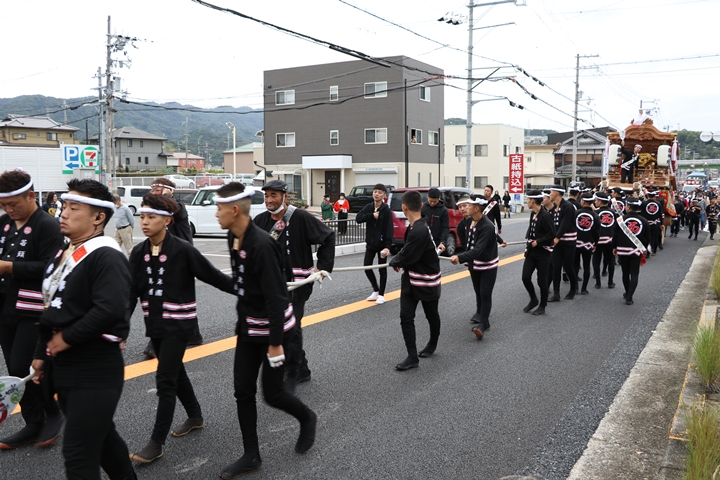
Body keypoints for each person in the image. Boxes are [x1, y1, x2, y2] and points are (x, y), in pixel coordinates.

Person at [33, 179, 137, 479]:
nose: (63, 213)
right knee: (105, 443)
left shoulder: (107, 255)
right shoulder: (62, 252)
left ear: (98, 217)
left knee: (78, 455)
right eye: (64, 206)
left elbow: (110, 309)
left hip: (95, 368)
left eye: (73, 208)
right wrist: (41, 352)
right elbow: (51, 309)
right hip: (63, 366)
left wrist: (65, 338)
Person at [214, 183, 317, 478]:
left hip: (275, 331)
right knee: (242, 391)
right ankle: (251, 455)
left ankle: (307, 417)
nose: (216, 214)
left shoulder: (261, 244)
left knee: (273, 394)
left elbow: (276, 297)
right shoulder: (234, 236)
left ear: (235, 210)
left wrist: (275, 343)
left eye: (219, 208)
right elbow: (243, 283)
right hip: (248, 329)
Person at [127, 194, 235, 464]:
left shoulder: (183, 250)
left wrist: (249, 290)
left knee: (165, 380)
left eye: (151, 217)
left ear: (167, 220)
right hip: (155, 324)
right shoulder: (138, 252)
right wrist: (119, 327)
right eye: (142, 216)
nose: (144, 222)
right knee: (176, 372)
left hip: (178, 324)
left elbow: (214, 276)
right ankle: (195, 416)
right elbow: (130, 292)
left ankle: (156, 443)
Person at [0, 170, 65, 450]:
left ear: (30, 196)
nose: (9, 209)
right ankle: (32, 422)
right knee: (14, 369)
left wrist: (9, 267)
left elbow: (51, 267)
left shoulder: (47, 225)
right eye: (3, 204)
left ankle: (52, 412)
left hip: (33, 306)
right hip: (5, 305)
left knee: (22, 365)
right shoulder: (4, 224)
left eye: (13, 203)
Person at [254, 179, 335, 391]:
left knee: (289, 326)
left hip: (298, 283)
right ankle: (302, 367)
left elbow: (328, 237)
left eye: (273, 195)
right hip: (272, 285)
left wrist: (322, 267)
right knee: (287, 327)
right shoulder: (260, 221)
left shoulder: (300, 217)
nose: (269, 200)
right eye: (266, 196)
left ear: (284, 197)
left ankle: (294, 371)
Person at [144, 177, 200, 357]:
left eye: (158, 189)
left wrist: (167, 196)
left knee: (168, 298)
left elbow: (175, 209)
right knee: (178, 298)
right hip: (165, 257)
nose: (154, 192)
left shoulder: (178, 208)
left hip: (182, 258)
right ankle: (194, 335)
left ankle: (155, 343)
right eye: (153, 189)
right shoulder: (158, 210)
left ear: (168, 191)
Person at [389, 191, 442, 370]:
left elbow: (409, 253)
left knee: (431, 315)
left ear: (404, 207)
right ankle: (412, 357)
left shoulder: (419, 229)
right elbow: (408, 251)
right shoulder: (416, 226)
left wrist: (395, 261)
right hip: (411, 279)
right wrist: (399, 260)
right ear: (421, 205)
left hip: (426, 280)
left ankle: (432, 344)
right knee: (406, 316)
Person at [450, 195, 498, 340]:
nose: (465, 208)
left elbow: (478, 250)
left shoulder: (487, 226)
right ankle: (484, 320)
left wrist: (460, 258)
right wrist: (465, 256)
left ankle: (482, 325)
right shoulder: (468, 221)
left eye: (468, 206)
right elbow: (467, 245)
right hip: (473, 263)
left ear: (476, 208)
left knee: (485, 293)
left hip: (487, 265)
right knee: (478, 291)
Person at [356, 184, 393, 305]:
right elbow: (358, 218)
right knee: (367, 267)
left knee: (382, 270)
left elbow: (389, 228)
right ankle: (376, 290)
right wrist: (371, 215)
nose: (376, 194)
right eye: (375, 192)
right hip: (370, 243)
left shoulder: (386, 210)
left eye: (379, 192)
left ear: (384, 195)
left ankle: (381, 294)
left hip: (382, 244)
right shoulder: (369, 207)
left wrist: (388, 246)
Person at [521, 190, 555, 316]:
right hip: (532, 251)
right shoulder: (533, 214)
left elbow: (552, 234)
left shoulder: (545, 216)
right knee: (525, 277)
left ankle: (542, 305)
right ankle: (533, 299)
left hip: (543, 252)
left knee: (542, 280)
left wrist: (538, 242)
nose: (527, 202)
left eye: (528, 200)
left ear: (533, 201)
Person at [613, 197, 650, 305]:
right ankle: (629, 297)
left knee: (625, 272)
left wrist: (614, 247)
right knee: (634, 273)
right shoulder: (644, 221)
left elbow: (614, 235)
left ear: (628, 207)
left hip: (622, 249)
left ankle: (627, 292)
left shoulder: (620, 219)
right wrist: (643, 247)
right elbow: (647, 237)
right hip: (636, 250)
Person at [547, 185, 578, 301]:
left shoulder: (568, 206)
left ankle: (573, 288)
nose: (549, 195)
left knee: (568, 267)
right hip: (557, 243)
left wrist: (557, 237)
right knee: (556, 266)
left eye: (550, 193)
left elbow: (565, 224)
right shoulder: (555, 207)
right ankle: (556, 293)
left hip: (568, 241)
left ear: (556, 193)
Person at [573, 193, 600, 294]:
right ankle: (584, 288)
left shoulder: (576, 213)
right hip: (588, 244)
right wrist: (595, 243)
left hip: (575, 243)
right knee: (586, 266)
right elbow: (597, 233)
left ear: (583, 202)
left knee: (575, 265)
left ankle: (575, 287)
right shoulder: (595, 216)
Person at [593, 192, 617, 289]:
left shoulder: (595, 213)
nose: (595, 202)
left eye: (596, 200)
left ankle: (598, 283)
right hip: (610, 240)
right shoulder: (613, 212)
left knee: (596, 261)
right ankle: (610, 282)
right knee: (611, 260)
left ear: (600, 201)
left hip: (598, 241)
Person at [421, 187, 450, 255]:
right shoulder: (423, 208)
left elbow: (445, 228)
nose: (432, 203)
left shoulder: (443, 210)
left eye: (435, 201)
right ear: (427, 197)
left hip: (437, 242)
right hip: (424, 241)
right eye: (430, 201)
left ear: (439, 198)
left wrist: (442, 242)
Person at [640, 189, 664, 255]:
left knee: (646, 237)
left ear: (647, 195)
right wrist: (662, 223)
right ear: (654, 196)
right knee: (654, 237)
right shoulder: (658, 204)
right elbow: (660, 214)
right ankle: (654, 251)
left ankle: (647, 252)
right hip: (655, 223)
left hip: (645, 223)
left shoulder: (643, 203)